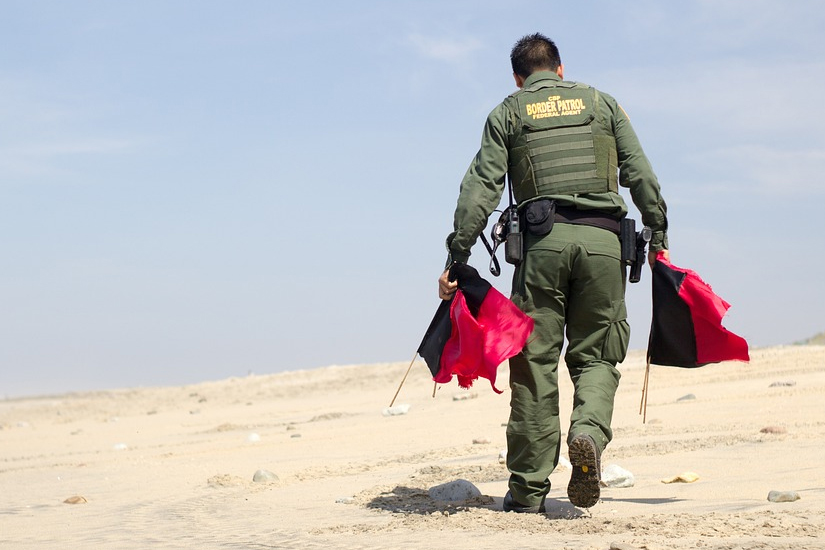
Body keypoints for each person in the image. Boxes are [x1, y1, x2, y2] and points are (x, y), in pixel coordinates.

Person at [437, 33, 669, 511]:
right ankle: (586, 435)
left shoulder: (509, 111)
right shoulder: (603, 104)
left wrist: (456, 257)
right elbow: (641, 174)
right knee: (598, 356)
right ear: (560, 70)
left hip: (542, 247)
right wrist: (658, 236)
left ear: (520, 77)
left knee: (535, 364)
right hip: (606, 245)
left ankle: (526, 492)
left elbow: (480, 185)